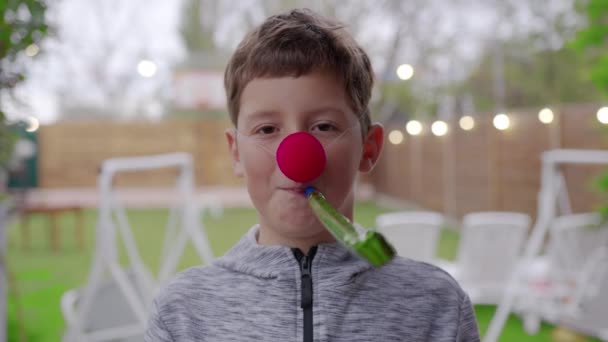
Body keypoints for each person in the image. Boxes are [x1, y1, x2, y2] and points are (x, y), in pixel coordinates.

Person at [145, 8, 480, 342]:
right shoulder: (183, 314)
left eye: (323, 126)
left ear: (369, 148)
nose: (297, 159)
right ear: (236, 153)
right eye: (266, 129)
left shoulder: (436, 306)